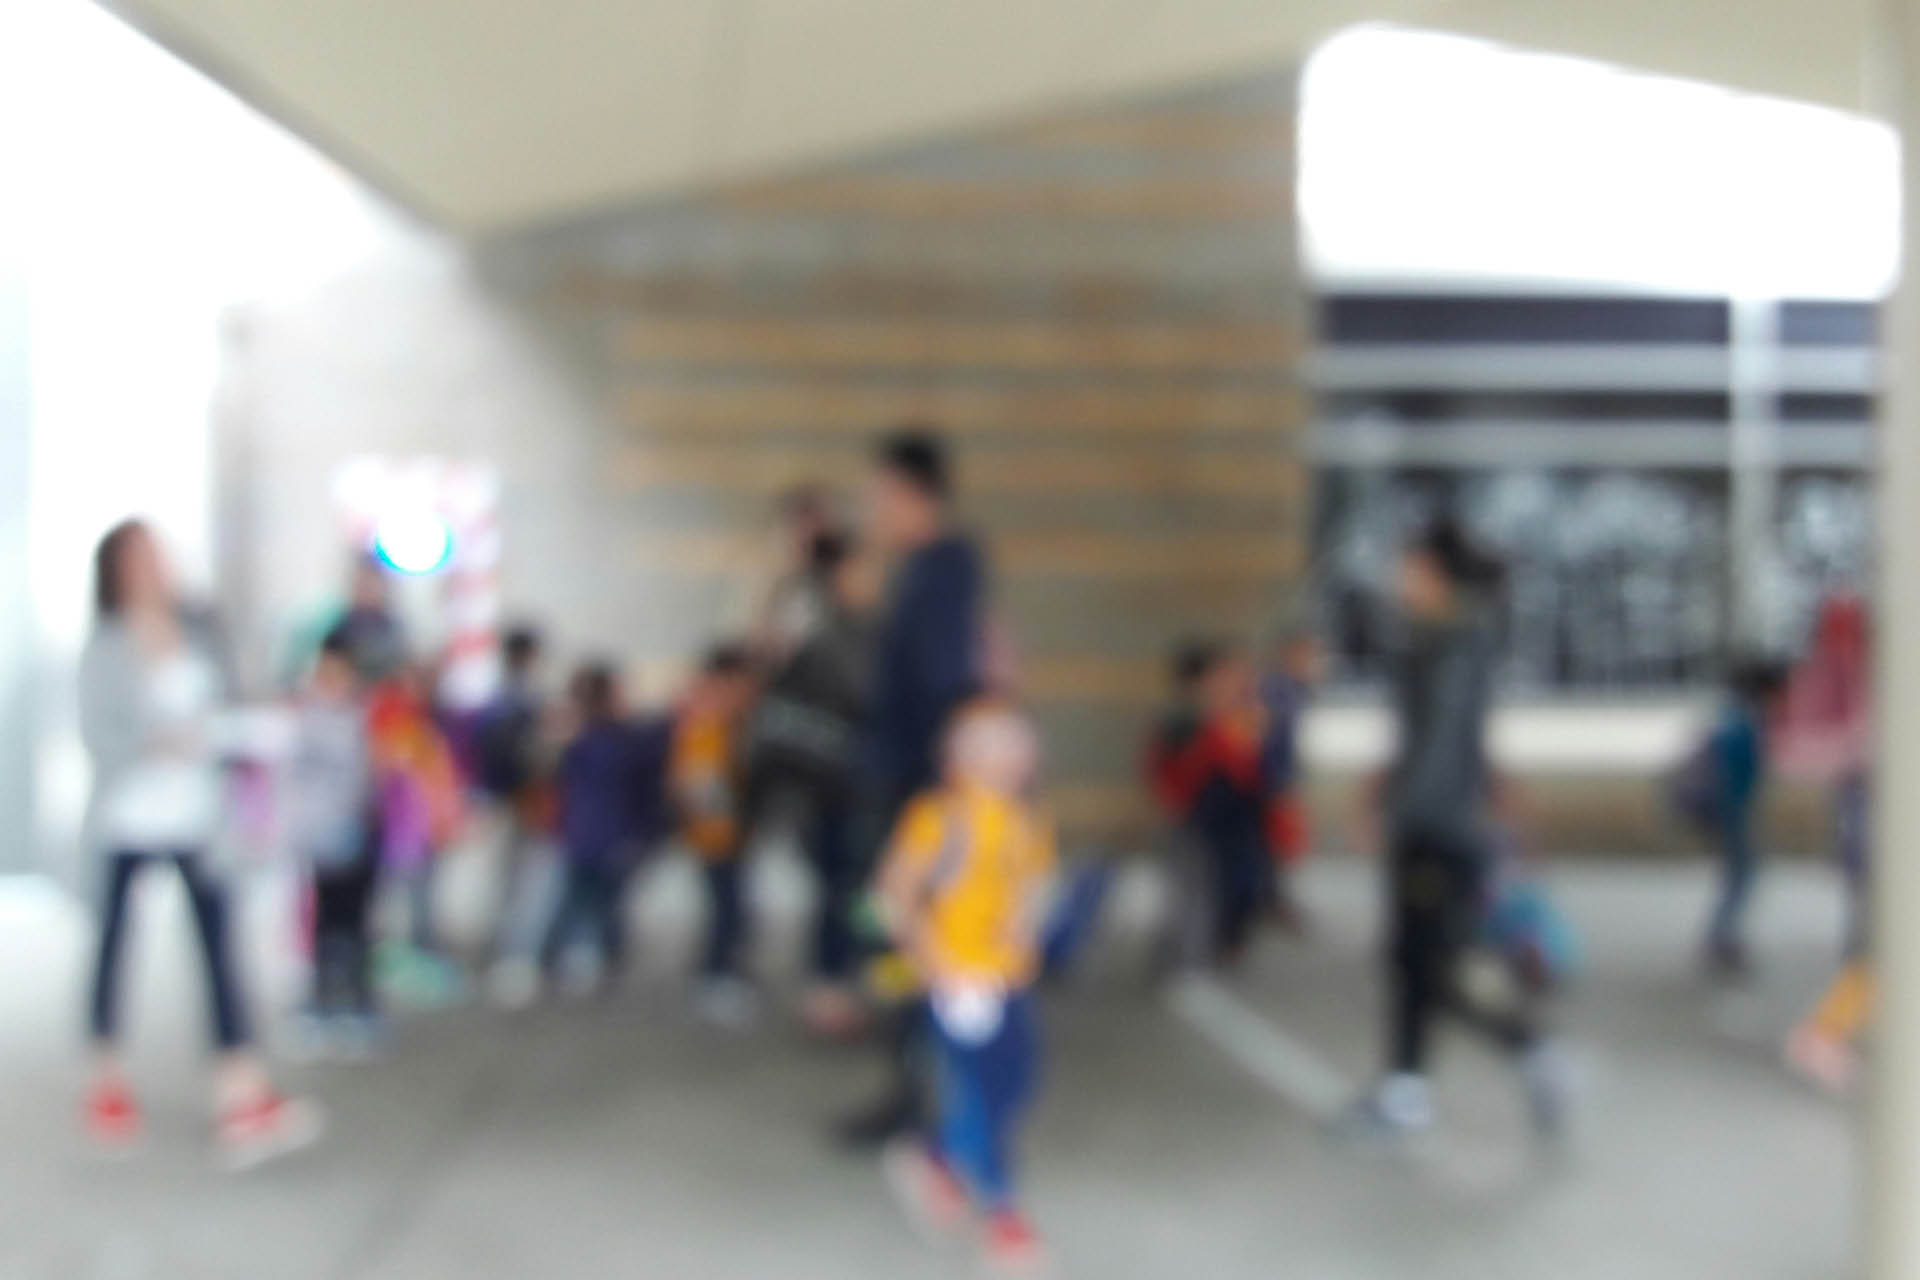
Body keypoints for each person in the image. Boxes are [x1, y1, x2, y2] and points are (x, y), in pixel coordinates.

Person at [78, 519, 322, 1168]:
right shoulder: (105, 641)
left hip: (196, 820)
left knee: (218, 950)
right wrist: (159, 742)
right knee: (113, 949)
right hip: (128, 817)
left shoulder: (200, 628)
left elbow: (234, 702)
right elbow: (97, 731)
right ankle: (106, 1078)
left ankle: (238, 1086)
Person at [1343, 517, 1569, 1141]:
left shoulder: (1453, 643)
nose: (1397, 579)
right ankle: (1411, 1086)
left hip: (1435, 834)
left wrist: (1402, 816)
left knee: (1432, 965)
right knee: (1419, 964)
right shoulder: (1441, 638)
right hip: (1435, 826)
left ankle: (1523, 1054)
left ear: (1432, 574)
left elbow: (1441, 746)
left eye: (1407, 567)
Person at [840, 426, 987, 1146]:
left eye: (877, 495)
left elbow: (946, 687)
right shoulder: (926, 571)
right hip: (907, 789)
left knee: (908, 944)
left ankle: (920, 1099)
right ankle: (911, 1089)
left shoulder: (942, 570)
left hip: (916, 798)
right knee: (894, 947)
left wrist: (944, 809)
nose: (871, 510)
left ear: (909, 493)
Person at [878, 701, 1054, 1274]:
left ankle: (937, 1160)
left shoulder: (1026, 819)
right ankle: (1005, 1217)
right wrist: (934, 962)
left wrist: (1029, 918)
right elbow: (893, 893)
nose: (1016, 753)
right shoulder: (939, 817)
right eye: (998, 742)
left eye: (1019, 742)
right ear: (960, 756)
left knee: (1016, 1082)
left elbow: (1033, 884)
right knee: (982, 1096)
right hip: (960, 982)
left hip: (1010, 978)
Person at [746, 531, 881, 1035]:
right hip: (834, 791)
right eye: (865, 569)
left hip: (836, 790)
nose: (875, 580)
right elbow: (859, 703)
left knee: (852, 892)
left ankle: (844, 985)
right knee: (845, 892)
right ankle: (831, 991)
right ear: (842, 573)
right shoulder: (832, 637)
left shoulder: (839, 631)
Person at [1776, 594, 1874, 1091]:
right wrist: (1862, 742)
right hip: (1871, 833)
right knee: (1878, 946)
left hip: (1870, 829)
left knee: (1877, 944)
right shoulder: (1832, 679)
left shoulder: (1863, 673)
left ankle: (1827, 1032)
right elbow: (1795, 752)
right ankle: (1821, 1034)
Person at [540, 662, 671, 996]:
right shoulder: (609, 740)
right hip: (602, 834)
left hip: (593, 834)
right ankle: (579, 962)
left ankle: (578, 962)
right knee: (590, 903)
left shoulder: (601, 738)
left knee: (591, 903)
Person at [1145, 640, 1273, 967]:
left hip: (1230, 819)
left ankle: (1207, 950)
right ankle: (1185, 957)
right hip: (1196, 815)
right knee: (1193, 889)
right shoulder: (1188, 719)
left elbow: (1252, 770)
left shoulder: (1237, 715)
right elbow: (1172, 768)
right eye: (1225, 673)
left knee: (1223, 885)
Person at [289, 629, 383, 1059]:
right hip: (322, 838)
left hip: (360, 834)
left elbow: (371, 777)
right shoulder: (305, 720)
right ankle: (323, 1005)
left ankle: (358, 1005)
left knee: (357, 924)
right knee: (326, 924)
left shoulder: (365, 717)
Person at [670, 643, 759, 1025]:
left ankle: (722, 972)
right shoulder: (708, 718)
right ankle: (716, 977)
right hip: (716, 835)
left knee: (729, 906)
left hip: (720, 833)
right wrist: (727, 822)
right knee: (728, 909)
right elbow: (697, 782)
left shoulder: (711, 715)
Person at [1686, 658, 1789, 978]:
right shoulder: (1742, 720)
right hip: (1734, 809)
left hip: (1732, 807)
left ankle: (1722, 937)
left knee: (1739, 876)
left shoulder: (1733, 715)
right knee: (1742, 876)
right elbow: (1737, 772)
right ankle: (1721, 939)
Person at [475, 625, 563, 1000]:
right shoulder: (527, 703)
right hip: (529, 803)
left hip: (509, 801)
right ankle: (517, 957)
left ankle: (509, 951)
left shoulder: (497, 699)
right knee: (530, 884)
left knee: (512, 881)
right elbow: (535, 757)